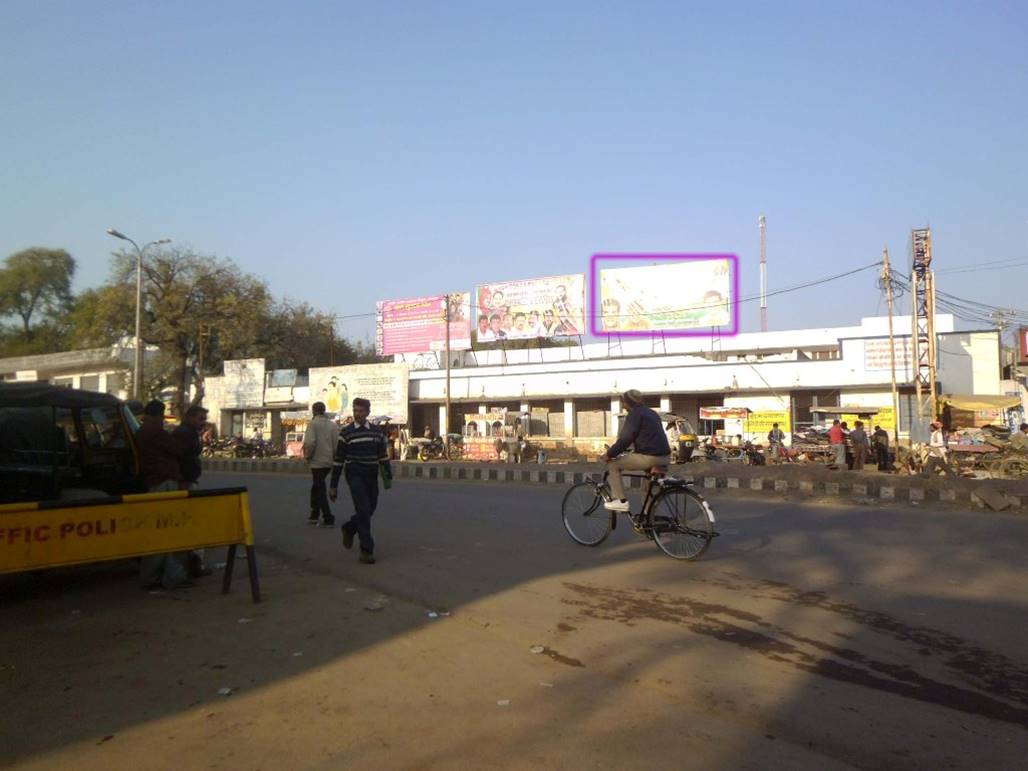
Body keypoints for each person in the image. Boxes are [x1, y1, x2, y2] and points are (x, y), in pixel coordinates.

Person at [329, 398, 392, 564]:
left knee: (371, 508)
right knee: (363, 509)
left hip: (371, 475)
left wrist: (387, 474)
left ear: (368, 413)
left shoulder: (377, 432)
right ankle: (366, 550)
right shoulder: (346, 432)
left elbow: (382, 455)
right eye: (355, 410)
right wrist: (333, 485)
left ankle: (350, 528)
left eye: (361, 411)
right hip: (354, 475)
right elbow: (339, 460)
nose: (358, 414)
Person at [136, 400, 191, 589]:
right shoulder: (155, 432)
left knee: (161, 531)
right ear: (158, 415)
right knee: (167, 531)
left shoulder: (142, 431)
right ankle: (164, 577)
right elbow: (177, 449)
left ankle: (158, 576)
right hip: (163, 482)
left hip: (154, 481)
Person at [602, 390, 671, 512]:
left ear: (628, 403)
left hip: (650, 457)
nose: (623, 405)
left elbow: (625, 439)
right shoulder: (652, 413)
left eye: (624, 402)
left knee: (613, 464)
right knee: (646, 487)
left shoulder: (635, 414)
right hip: (665, 457)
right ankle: (649, 519)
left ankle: (621, 501)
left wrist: (609, 454)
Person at [302, 402, 339, 527]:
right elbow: (336, 445)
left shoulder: (312, 424)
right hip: (328, 462)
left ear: (314, 411)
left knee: (320, 488)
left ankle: (328, 517)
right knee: (317, 486)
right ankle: (314, 513)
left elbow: (310, 442)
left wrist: (307, 456)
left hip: (317, 462)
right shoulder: (333, 425)